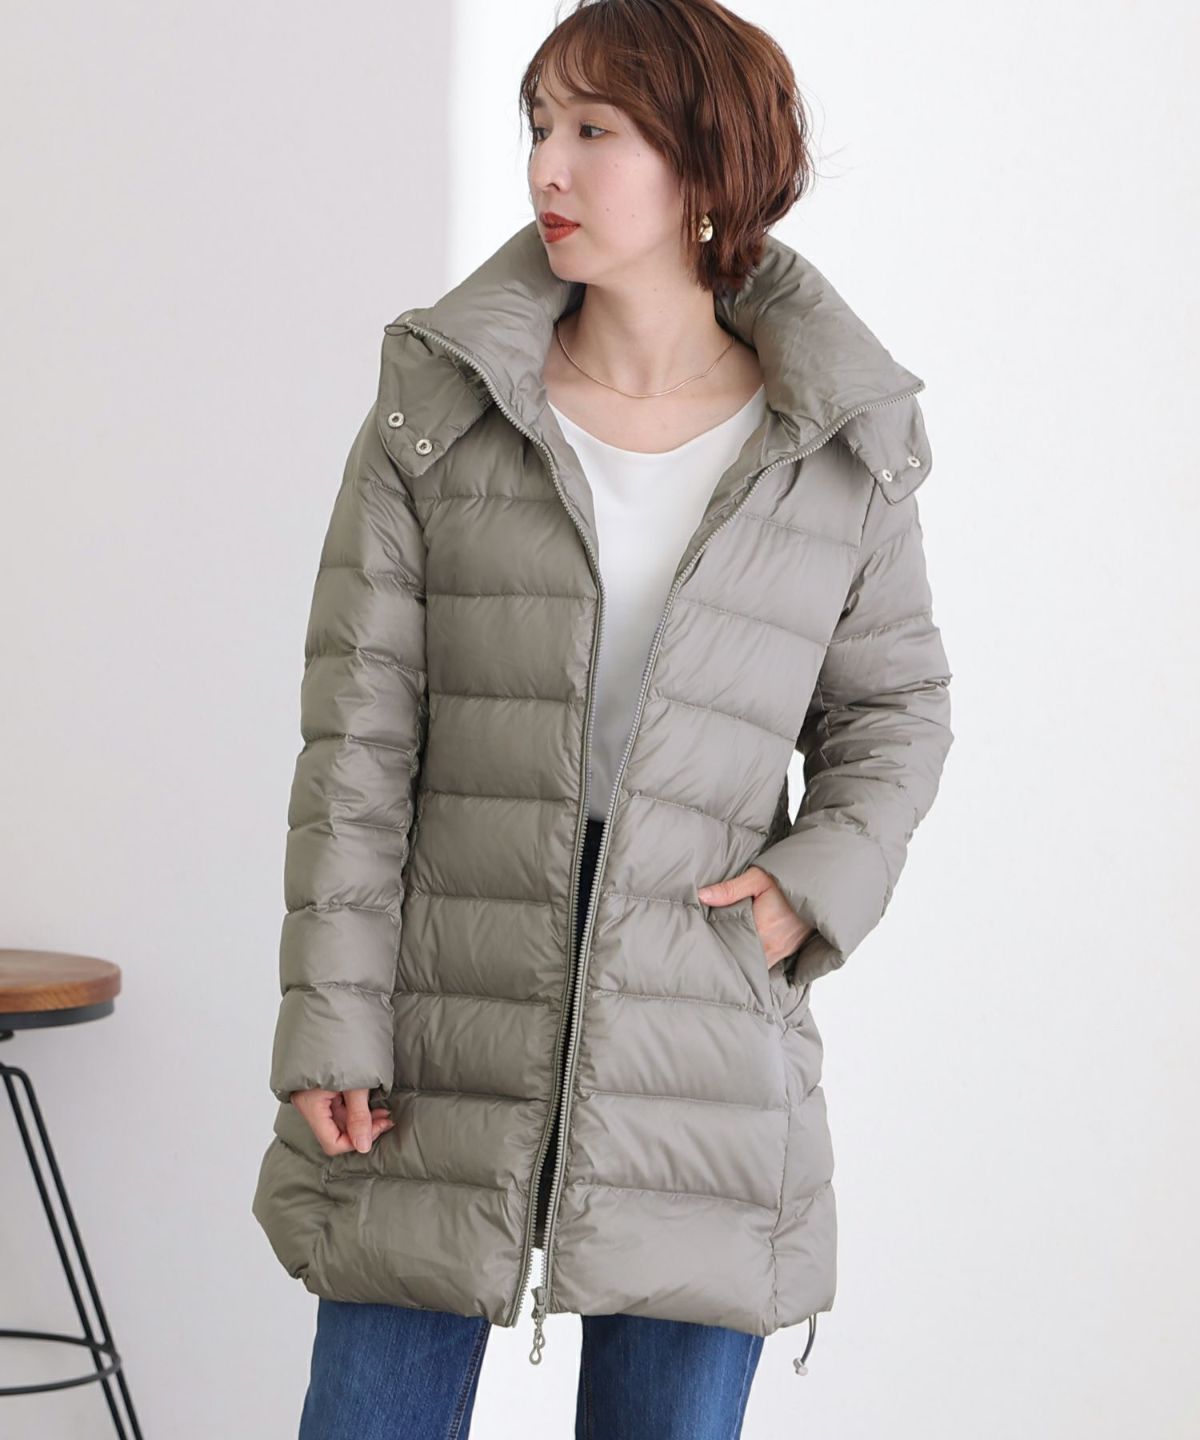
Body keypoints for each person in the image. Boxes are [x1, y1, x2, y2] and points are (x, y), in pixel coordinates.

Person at [251, 2, 954, 1435]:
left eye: (594, 130)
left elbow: (895, 707)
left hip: (701, 1009)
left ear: (707, 162)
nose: (546, 169)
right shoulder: (442, 405)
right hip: (443, 990)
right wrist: (332, 1016)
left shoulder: (836, 437)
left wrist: (810, 888)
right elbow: (358, 740)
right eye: (538, 127)